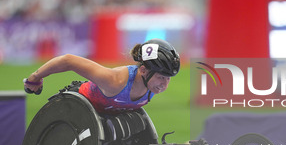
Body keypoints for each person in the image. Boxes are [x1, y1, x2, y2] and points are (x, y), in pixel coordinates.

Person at [23, 38, 180, 114]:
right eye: (161, 77)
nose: (164, 84)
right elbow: (68, 60)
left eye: (168, 78)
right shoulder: (115, 81)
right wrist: (35, 78)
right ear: (144, 70)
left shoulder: (151, 85)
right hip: (74, 108)